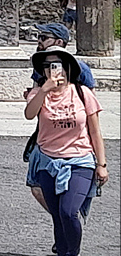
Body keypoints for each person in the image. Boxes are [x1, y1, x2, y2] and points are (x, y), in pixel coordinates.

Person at [24, 46, 108, 256]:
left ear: (68, 68)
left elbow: (95, 130)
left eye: (57, 65)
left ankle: (72, 253)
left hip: (80, 160)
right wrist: (44, 90)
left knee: (68, 211)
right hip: (48, 162)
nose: (53, 70)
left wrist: (102, 164)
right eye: (47, 66)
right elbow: (29, 114)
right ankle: (63, 253)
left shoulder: (82, 93)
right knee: (58, 215)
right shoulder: (38, 94)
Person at [25, 23, 97, 222]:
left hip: (73, 136)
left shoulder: (81, 69)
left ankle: (67, 225)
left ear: (59, 41)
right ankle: (64, 224)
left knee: (66, 203)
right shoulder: (40, 68)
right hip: (46, 133)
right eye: (39, 36)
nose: (39, 41)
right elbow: (33, 105)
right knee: (37, 189)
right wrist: (39, 94)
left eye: (44, 37)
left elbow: (89, 102)